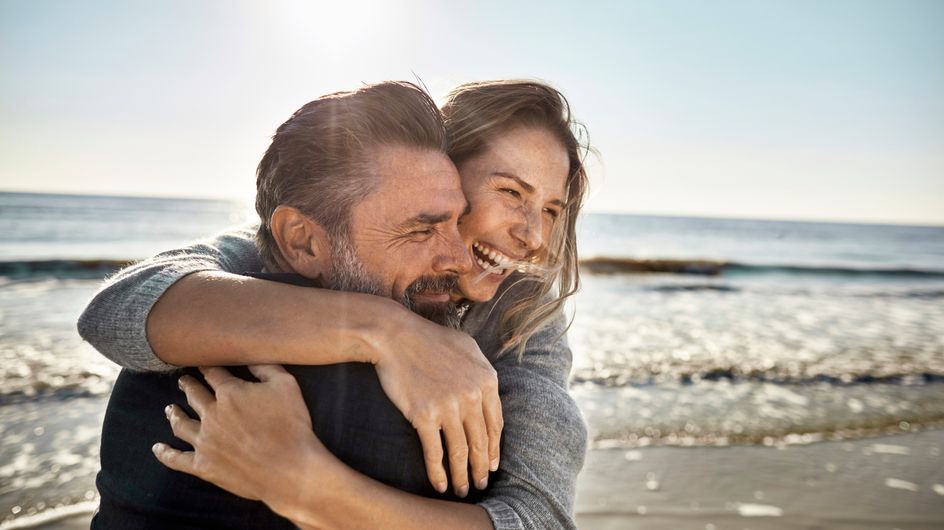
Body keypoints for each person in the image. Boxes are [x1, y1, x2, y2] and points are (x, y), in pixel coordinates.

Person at [79, 79, 590, 529]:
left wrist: (300, 481)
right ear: (445, 174)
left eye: (550, 210)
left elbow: (538, 515)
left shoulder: (523, 316)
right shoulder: (280, 251)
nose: (534, 236)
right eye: (510, 193)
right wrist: (387, 330)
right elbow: (117, 311)